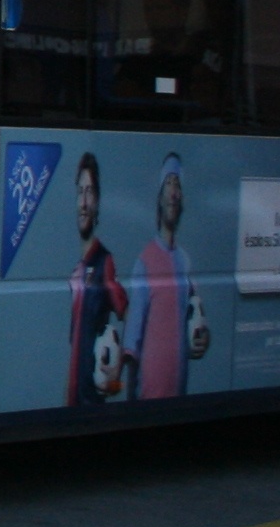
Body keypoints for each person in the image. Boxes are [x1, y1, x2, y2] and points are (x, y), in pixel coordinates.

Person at [125, 152, 209, 401]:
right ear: (159, 197)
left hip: (179, 395)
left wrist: (204, 339)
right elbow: (132, 342)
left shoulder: (184, 261)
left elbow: (197, 317)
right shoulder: (145, 261)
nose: (173, 193)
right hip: (150, 396)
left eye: (177, 185)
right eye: (168, 184)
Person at [65, 148, 131, 406]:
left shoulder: (104, 262)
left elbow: (131, 317)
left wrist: (118, 369)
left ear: (98, 201)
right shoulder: (76, 272)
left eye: (89, 192)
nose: (83, 203)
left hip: (91, 403)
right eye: (79, 192)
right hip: (73, 402)